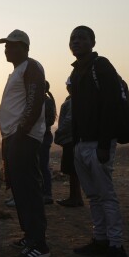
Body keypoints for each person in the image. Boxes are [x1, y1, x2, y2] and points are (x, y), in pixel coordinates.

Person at [68, 25, 128, 257]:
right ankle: (100, 239)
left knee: (106, 196)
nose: (76, 41)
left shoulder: (101, 66)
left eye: (82, 38)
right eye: (73, 38)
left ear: (93, 42)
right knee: (93, 196)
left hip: (98, 144)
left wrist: (104, 143)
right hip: (82, 144)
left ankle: (116, 247)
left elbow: (111, 106)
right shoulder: (76, 73)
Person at [0, 29, 50, 257]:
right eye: (7, 45)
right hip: (14, 136)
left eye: (13, 45)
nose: (8, 49)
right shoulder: (17, 71)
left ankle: (39, 243)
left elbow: (35, 99)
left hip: (24, 137)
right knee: (19, 189)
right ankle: (29, 235)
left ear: (25, 48)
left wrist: (22, 131)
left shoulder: (31, 67)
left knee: (28, 189)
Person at [54, 79, 83, 207]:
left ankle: (75, 197)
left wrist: (59, 132)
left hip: (70, 139)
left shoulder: (73, 101)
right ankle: (75, 197)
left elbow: (69, 120)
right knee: (73, 170)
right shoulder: (74, 99)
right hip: (71, 138)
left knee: (73, 170)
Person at [40, 81, 57, 205]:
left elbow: (50, 120)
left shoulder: (47, 102)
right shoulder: (41, 101)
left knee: (43, 166)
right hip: (38, 136)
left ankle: (47, 194)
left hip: (43, 137)